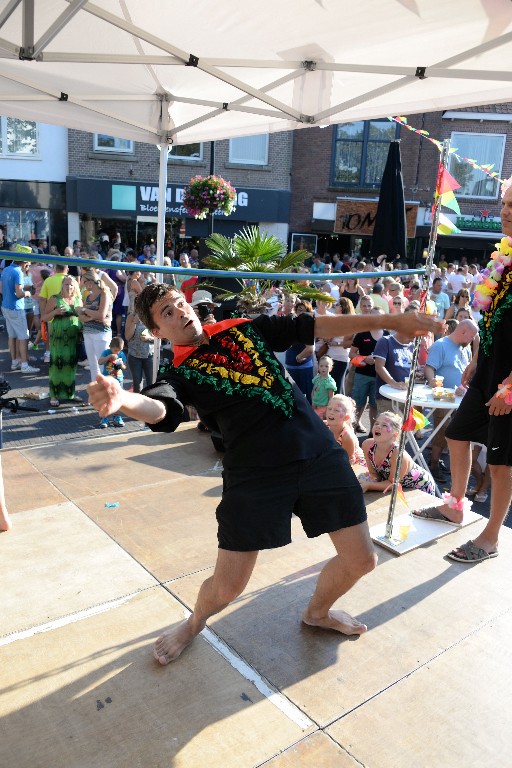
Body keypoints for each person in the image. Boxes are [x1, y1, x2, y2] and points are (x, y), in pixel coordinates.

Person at [87, 282, 441, 665]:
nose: (180, 313)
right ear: (156, 333)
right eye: (167, 314)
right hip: (254, 476)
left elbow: (315, 326)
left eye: (179, 304)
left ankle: (317, 613)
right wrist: (123, 400)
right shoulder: (179, 372)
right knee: (226, 588)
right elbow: (161, 409)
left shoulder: (242, 328)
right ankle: (193, 623)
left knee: (362, 560)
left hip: (316, 454)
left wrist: (394, 320)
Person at [412, 179, 512, 564]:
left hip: (508, 383)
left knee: (502, 463)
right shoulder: (503, 258)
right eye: (504, 203)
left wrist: (509, 386)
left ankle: (490, 538)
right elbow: (491, 321)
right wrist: (475, 358)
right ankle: (455, 504)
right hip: (488, 370)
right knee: (457, 434)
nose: (505, 212)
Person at [423, 319, 478, 480]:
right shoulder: (440, 345)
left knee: (452, 433)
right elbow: (429, 368)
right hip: (442, 399)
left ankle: (436, 460)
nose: (472, 339)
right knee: (442, 431)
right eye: (472, 335)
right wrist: (433, 382)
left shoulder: (464, 348)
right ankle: (433, 463)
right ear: (463, 331)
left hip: (460, 399)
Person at [359, 411, 436, 495]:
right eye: (376, 423)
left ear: (395, 435)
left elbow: (393, 484)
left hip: (419, 487)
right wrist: (367, 481)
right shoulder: (367, 445)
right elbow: (374, 474)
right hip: (397, 485)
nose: (378, 426)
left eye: (384, 425)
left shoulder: (398, 454)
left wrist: (369, 485)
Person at [44, 276, 84, 407]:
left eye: (71, 285)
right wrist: (55, 311)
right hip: (58, 337)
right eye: (66, 284)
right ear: (62, 285)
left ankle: (69, 393)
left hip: (73, 338)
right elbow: (44, 317)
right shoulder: (55, 299)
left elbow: (83, 317)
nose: (69, 287)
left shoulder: (78, 299)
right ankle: (54, 395)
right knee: (56, 365)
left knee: (70, 366)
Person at [0, 255, 40, 374]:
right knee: (24, 337)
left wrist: (25, 288)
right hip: (16, 308)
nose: (29, 265)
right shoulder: (18, 272)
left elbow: (2, 289)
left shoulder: (7, 269)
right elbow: (18, 294)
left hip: (6, 306)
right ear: (24, 262)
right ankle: (24, 365)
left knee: (12, 336)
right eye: (28, 263)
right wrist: (27, 293)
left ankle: (15, 362)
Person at [75, 268, 113, 380]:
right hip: (88, 333)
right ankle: (95, 393)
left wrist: (85, 311)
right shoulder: (88, 296)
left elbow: (101, 315)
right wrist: (92, 315)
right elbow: (81, 317)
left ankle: (105, 393)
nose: (83, 284)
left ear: (91, 281)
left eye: (85, 281)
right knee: (93, 365)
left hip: (101, 333)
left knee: (103, 365)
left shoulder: (104, 294)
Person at [325, 395, 366, 467]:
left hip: (352, 464)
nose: (331, 412)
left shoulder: (346, 436)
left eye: (336, 410)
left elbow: (349, 459)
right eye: (329, 408)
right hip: (336, 457)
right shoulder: (325, 425)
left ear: (346, 417)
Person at [98, 336, 127, 428]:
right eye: (115, 350)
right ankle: (104, 417)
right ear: (110, 347)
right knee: (105, 398)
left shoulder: (121, 354)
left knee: (117, 399)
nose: (117, 352)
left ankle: (117, 416)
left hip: (118, 379)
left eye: (119, 350)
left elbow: (125, 367)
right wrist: (109, 356)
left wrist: (120, 363)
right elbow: (100, 362)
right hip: (107, 379)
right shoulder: (106, 352)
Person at [125, 310, 155, 394]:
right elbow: (127, 337)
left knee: (152, 383)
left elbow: (160, 337)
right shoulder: (131, 316)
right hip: (134, 356)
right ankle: (138, 405)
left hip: (150, 355)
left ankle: (151, 404)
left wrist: (149, 338)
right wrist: (134, 322)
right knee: (137, 385)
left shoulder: (152, 316)